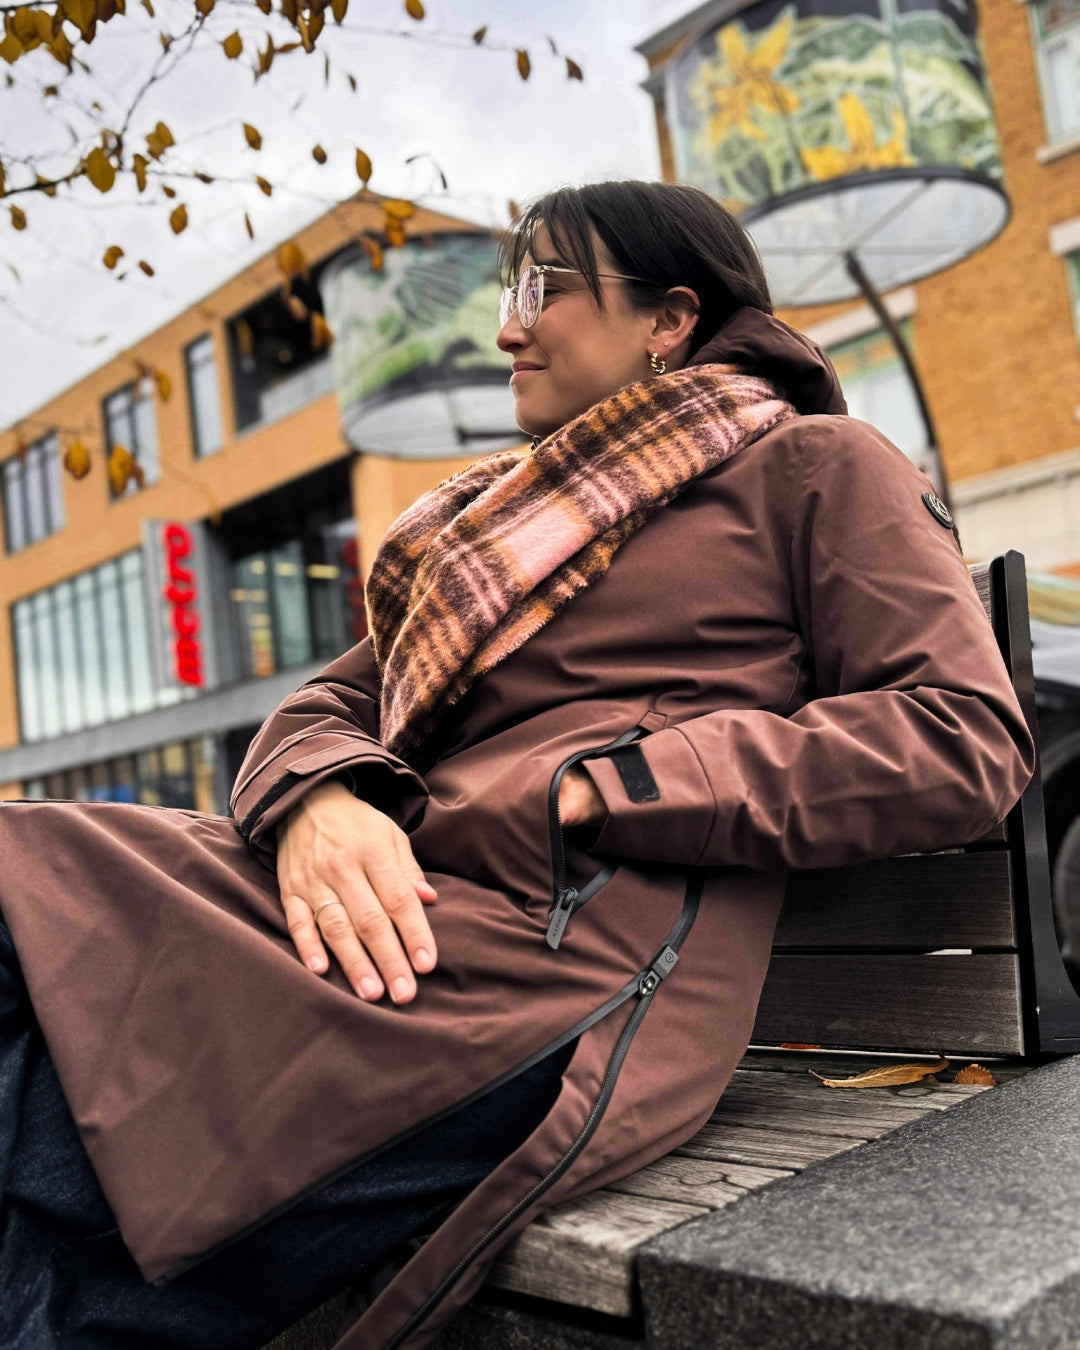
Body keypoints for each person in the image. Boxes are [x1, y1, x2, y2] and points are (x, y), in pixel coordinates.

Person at [0, 180, 1035, 1350]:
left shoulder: (815, 466)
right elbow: (330, 703)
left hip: (546, 964)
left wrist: (611, 782)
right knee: (26, 875)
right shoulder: (506, 526)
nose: (507, 328)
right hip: (402, 908)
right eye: (511, 291)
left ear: (669, 318)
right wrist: (324, 799)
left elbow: (961, 733)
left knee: (54, 1148)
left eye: (545, 288)